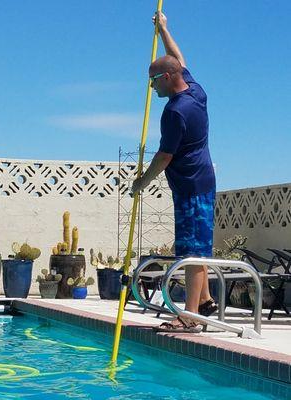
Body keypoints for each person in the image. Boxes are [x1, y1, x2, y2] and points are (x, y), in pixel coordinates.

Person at [132, 12, 217, 333]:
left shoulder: (175, 112)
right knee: (197, 246)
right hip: (200, 181)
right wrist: (164, 29)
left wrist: (141, 182)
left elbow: (164, 157)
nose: (150, 87)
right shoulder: (195, 91)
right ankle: (205, 300)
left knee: (192, 251)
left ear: (167, 78)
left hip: (192, 187)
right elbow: (179, 58)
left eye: (152, 80)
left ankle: (189, 316)